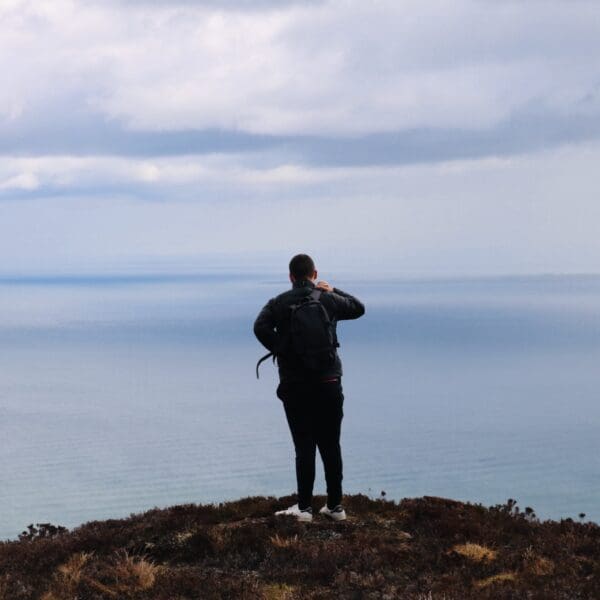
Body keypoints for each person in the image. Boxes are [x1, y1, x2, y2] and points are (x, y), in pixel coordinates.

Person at [253, 253, 365, 522]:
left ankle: (304, 508)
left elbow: (259, 327)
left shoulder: (278, 303)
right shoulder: (327, 298)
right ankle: (335, 507)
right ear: (314, 274)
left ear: (290, 277)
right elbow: (358, 308)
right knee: (330, 445)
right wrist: (333, 288)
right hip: (329, 383)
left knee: (303, 446)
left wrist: (284, 349)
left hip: (295, 386)